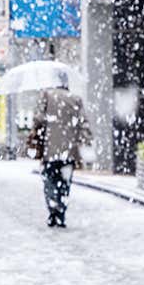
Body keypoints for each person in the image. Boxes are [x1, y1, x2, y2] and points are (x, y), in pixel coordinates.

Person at [27, 70, 91, 228]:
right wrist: (85, 142)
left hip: (50, 149)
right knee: (65, 182)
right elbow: (83, 123)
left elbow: (38, 119)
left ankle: (52, 211)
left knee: (50, 181)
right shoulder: (75, 99)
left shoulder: (47, 96)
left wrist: (39, 128)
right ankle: (61, 211)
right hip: (69, 151)